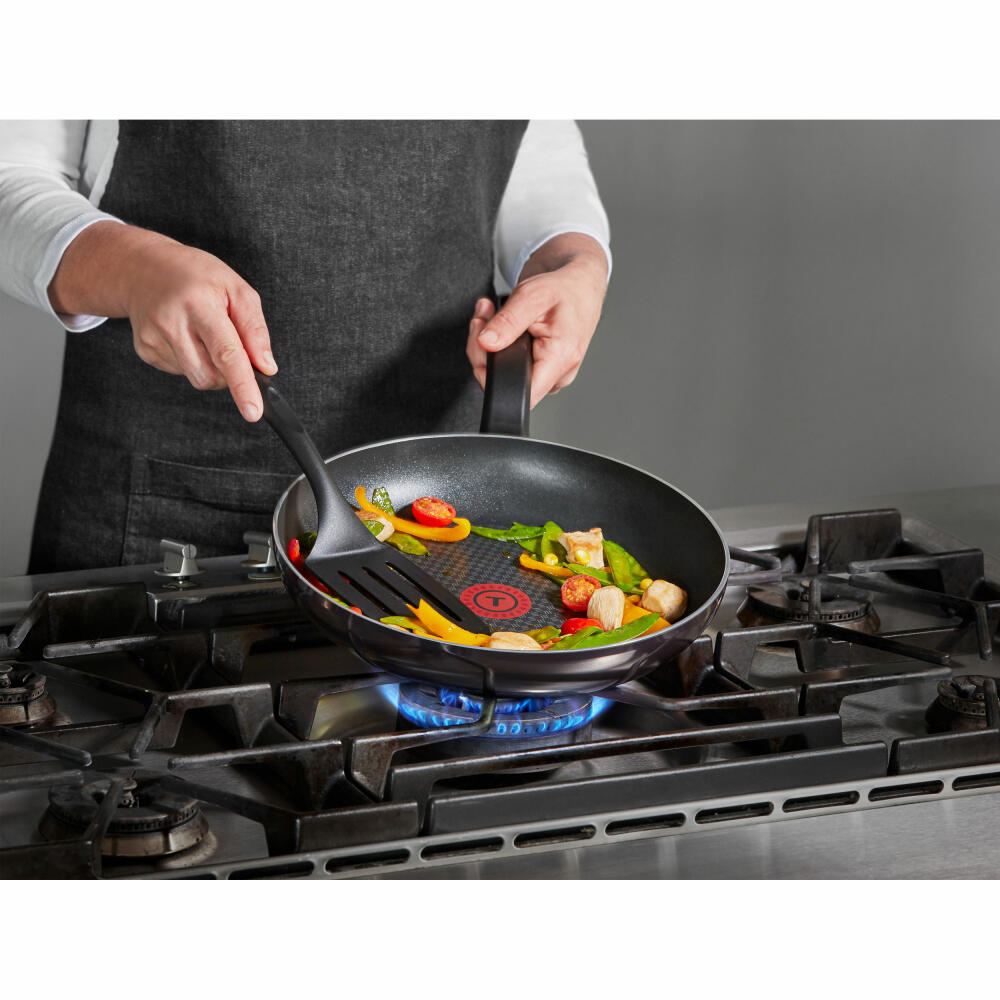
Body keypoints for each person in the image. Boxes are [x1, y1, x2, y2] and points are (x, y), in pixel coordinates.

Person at [0, 121, 610, 572]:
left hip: (442, 501)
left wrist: (574, 263)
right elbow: (11, 175)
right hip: (163, 518)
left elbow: (538, 157)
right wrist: (134, 269)